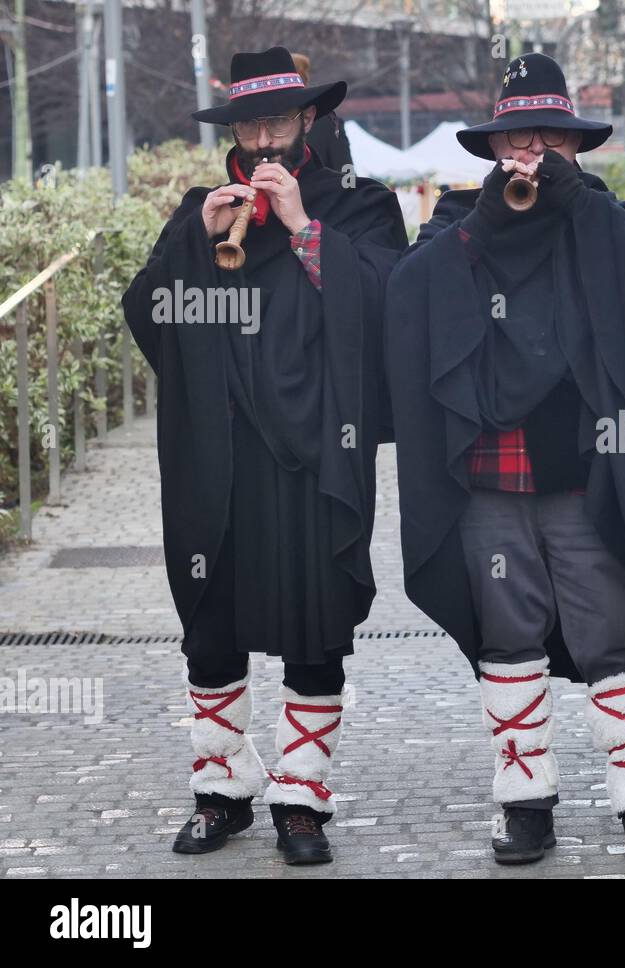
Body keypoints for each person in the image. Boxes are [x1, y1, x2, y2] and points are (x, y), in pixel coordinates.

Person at [384, 53, 625, 868]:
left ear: (574, 144)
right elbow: (410, 294)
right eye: (518, 138)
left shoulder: (611, 223)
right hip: (491, 477)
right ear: (495, 149)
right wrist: (487, 225)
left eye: (549, 138)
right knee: (509, 633)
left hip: (582, 474)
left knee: (613, 631)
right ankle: (524, 803)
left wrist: (578, 210)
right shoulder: (460, 229)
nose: (532, 153)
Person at [121, 46, 406, 863]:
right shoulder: (197, 209)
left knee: (314, 627)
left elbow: (394, 303)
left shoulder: (357, 205)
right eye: (250, 122)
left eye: (278, 119)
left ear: (309, 119)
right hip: (220, 454)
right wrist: (193, 247)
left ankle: (303, 797)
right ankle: (221, 791)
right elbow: (151, 321)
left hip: (316, 451)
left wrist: (304, 231)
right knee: (212, 627)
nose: (265, 137)